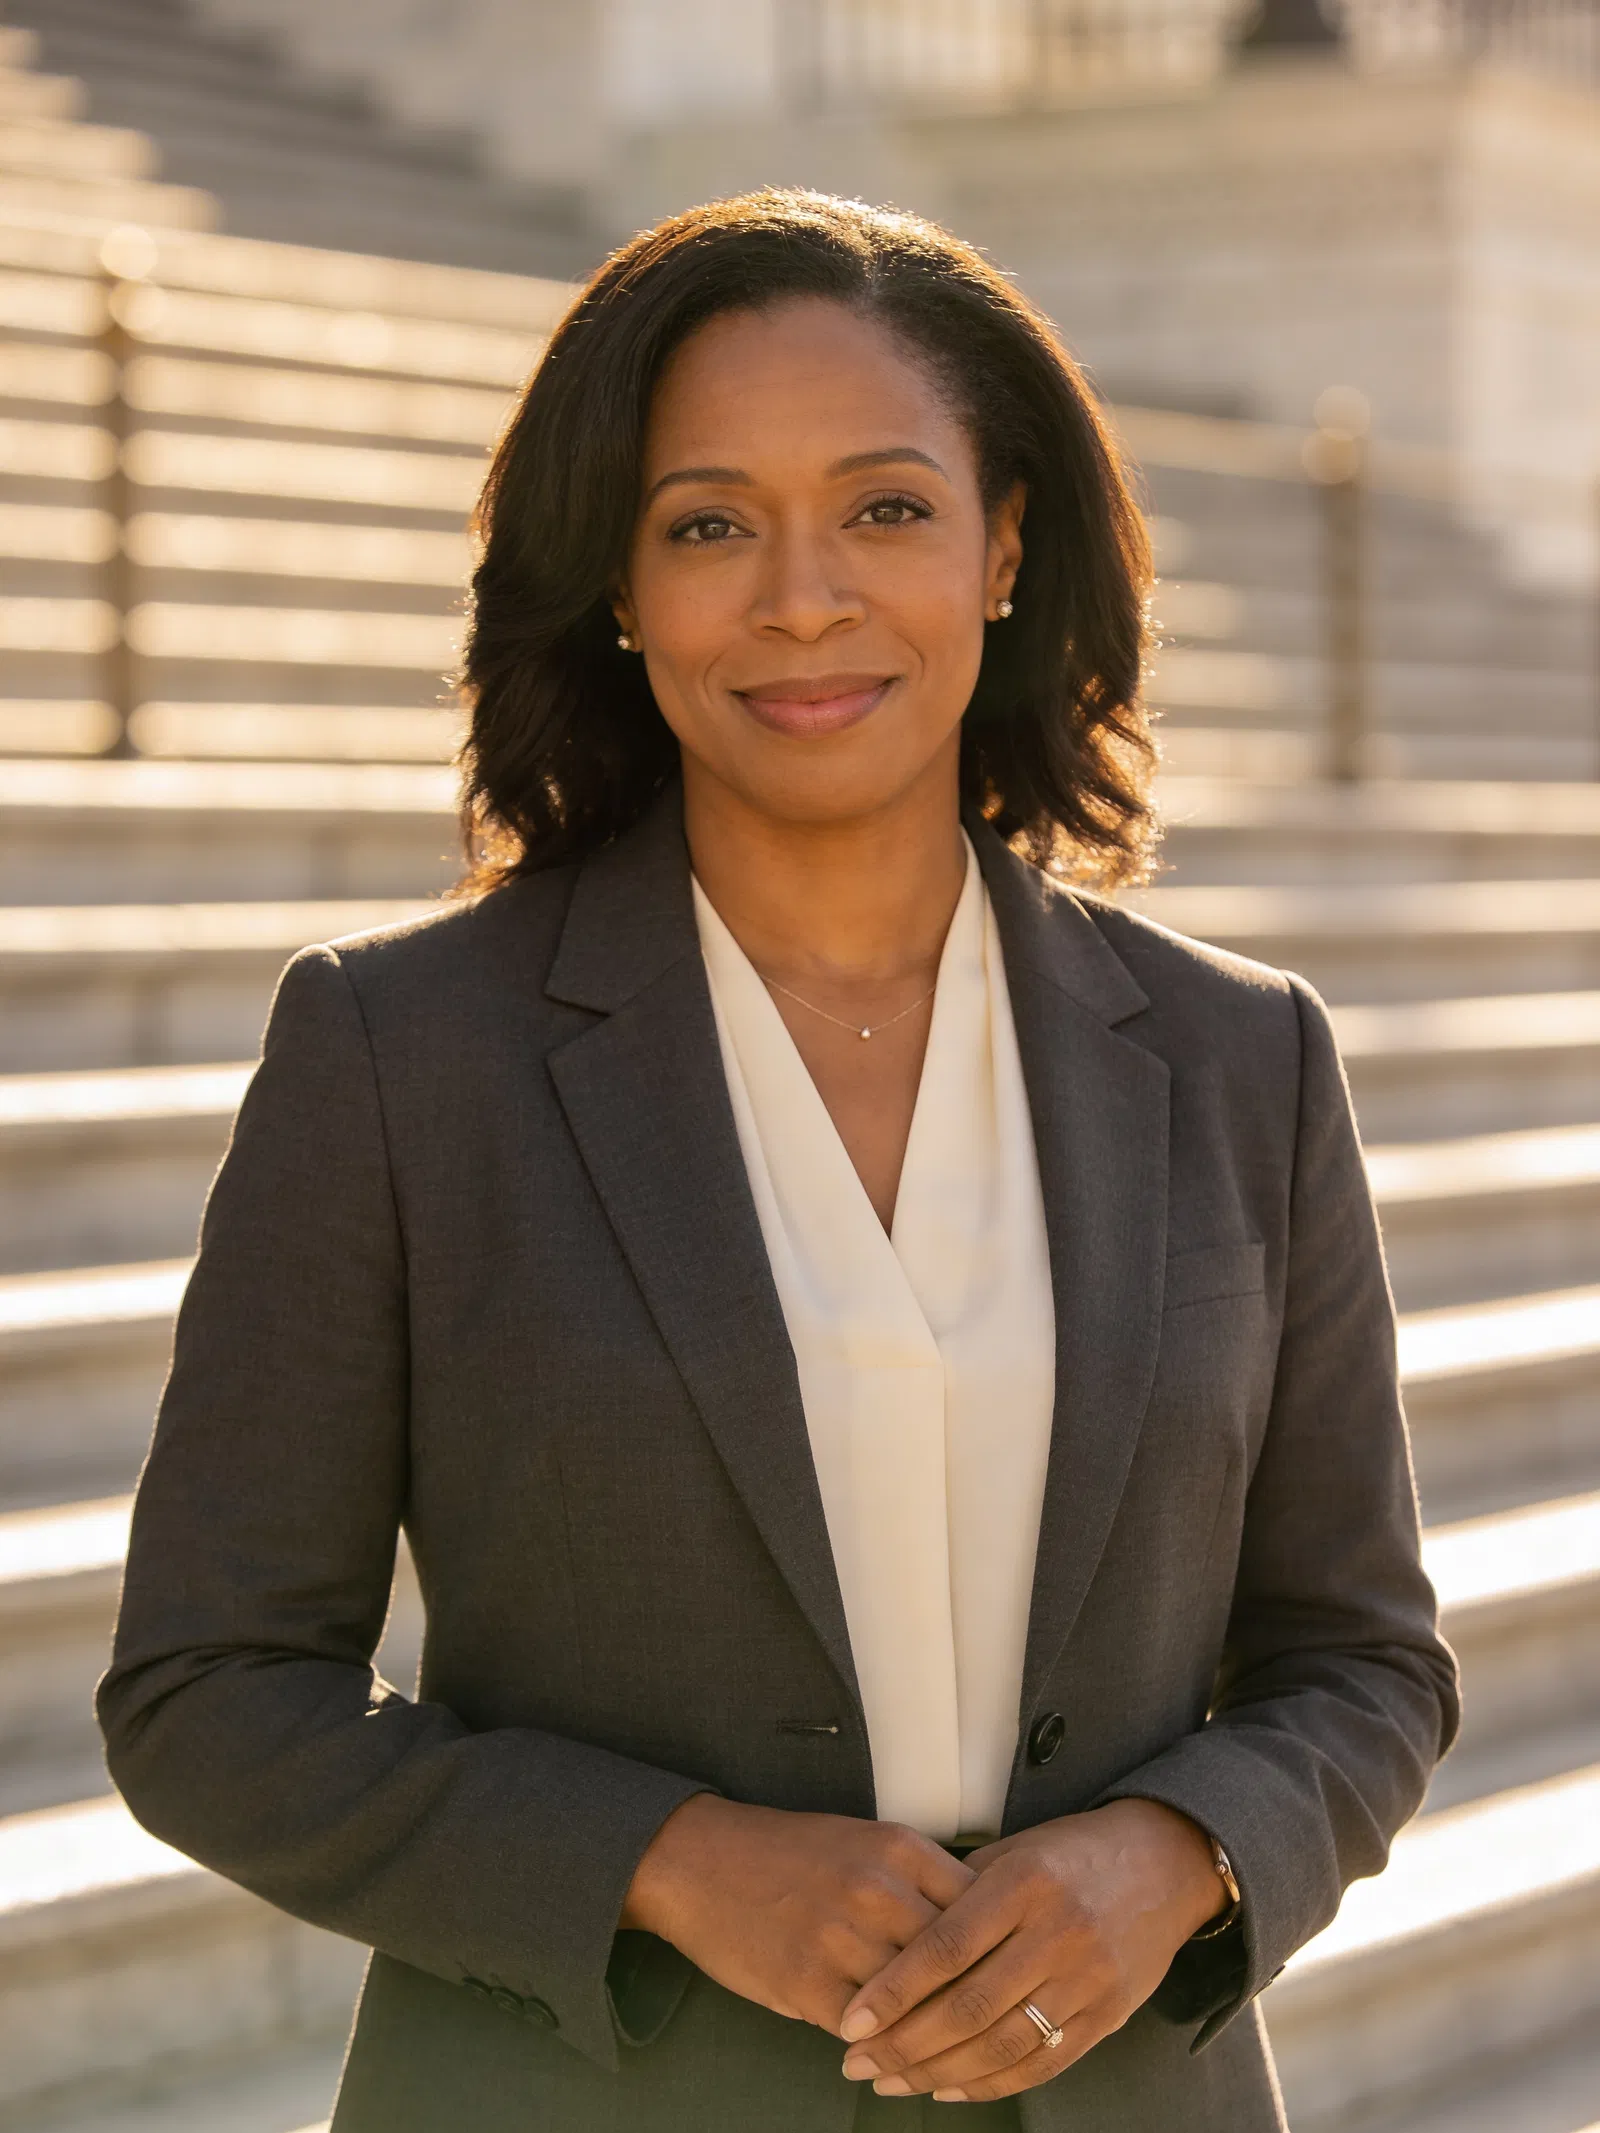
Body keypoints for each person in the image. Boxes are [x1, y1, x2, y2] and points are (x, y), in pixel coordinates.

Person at [99, 189, 1458, 2132]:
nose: (802, 598)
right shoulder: (400, 1056)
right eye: (707, 525)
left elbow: (1364, 1662)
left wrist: (1175, 1858)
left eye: (886, 508)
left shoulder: (1246, 1059)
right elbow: (207, 1691)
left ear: (1003, 546)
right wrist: (664, 1860)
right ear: (617, 584)